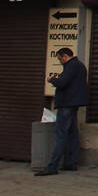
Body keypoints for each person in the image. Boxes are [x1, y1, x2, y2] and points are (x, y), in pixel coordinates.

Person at [37, 48, 88, 176]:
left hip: (66, 104)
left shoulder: (71, 66)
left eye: (60, 59)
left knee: (61, 134)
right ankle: (71, 163)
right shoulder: (80, 66)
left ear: (65, 56)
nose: (60, 62)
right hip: (73, 104)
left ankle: (52, 166)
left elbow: (63, 82)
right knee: (72, 134)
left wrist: (52, 79)